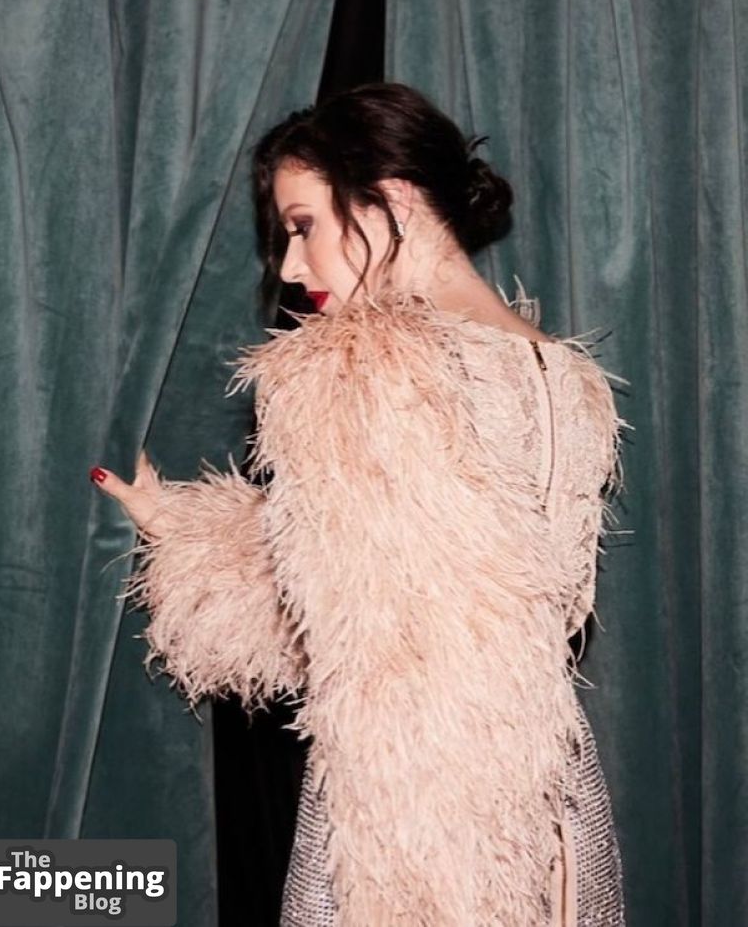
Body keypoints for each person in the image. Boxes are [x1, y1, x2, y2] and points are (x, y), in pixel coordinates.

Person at [90, 82, 630, 926]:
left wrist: (179, 536)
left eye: (303, 226)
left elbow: (348, 643)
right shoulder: (568, 378)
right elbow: (440, 607)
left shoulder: (361, 368)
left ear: (393, 200)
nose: (290, 267)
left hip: (412, 825)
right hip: (552, 809)